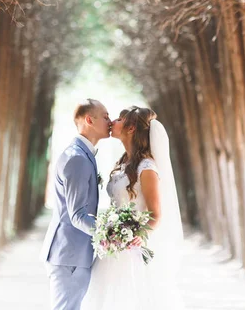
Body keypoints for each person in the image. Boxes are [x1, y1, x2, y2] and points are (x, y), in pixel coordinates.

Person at [82, 106, 184, 310]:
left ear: (130, 129)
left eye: (120, 119)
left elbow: (156, 214)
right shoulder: (123, 163)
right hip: (113, 247)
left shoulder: (146, 168)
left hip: (132, 249)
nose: (113, 121)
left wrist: (135, 235)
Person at [40, 99, 111, 310]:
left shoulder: (82, 154)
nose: (110, 121)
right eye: (105, 117)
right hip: (69, 255)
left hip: (72, 253)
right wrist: (110, 234)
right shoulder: (77, 158)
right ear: (89, 119)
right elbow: (78, 215)